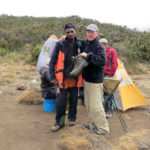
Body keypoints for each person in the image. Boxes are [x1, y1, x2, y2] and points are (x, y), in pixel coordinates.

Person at [49, 23, 84, 132]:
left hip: (75, 79)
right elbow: (53, 61)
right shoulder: (59, 45)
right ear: (65, 33)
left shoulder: (81, 44)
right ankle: (59, 122)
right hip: (62, 79)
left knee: (74, 101)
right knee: (61, 103)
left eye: (71, 31)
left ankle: (72, 119)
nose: (70, 34)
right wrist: (52, 76)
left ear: (75, 31)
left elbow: (91, 44)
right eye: (67, 32)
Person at [80, 24, 109, 135]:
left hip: (95, 81)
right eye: (88, 31)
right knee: (89, 105)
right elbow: (78, 40)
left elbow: (102, 60)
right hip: (87, 80)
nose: (89, 34)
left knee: (96, 107)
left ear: (97, 33)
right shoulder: (87, 43)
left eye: (92, 32)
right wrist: (64, 38)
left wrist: (88, 56)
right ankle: (93, 125)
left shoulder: (99, 46)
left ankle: (103, 129)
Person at [100, 38, 118, 118]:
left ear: (106, 44)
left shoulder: (112, 51)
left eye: (103, 44)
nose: (102, 45)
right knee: (103, 93)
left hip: (109, 75)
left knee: (110, 93)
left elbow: (115, 64)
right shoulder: (101, 51)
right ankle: (105, 109)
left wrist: (111, 74)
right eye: (100, 44)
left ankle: (110, 110)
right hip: (101, 75)